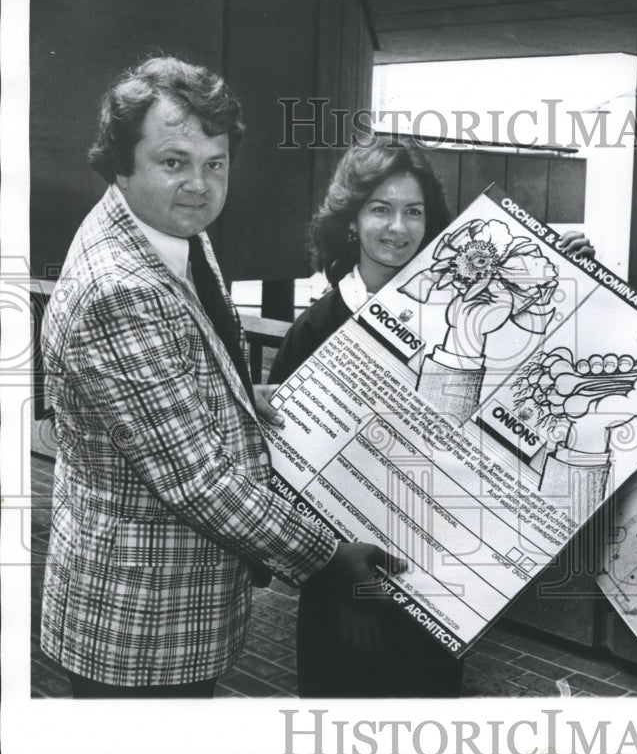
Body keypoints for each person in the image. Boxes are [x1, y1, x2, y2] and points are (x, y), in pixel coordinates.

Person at [40, 55, 400, 698]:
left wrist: (236, 396)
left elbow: (179, 376)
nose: (200, 185)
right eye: (174, 161)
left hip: (164, 603)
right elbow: (197, 479)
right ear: (120, 161)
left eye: (215, 163)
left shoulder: (171, 231)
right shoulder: (120, 290)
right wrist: (327, 557)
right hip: (141, 625)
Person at [269, 136, 596, 696]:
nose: (398, 227)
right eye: (381, 209)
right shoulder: (316, 330)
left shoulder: (450, 323)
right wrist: (334, 578)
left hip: (438, 587)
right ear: (351, 220)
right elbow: (282, 475)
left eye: (413, 211)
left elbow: (492, 429)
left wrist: (574, 286)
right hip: (344, 584)